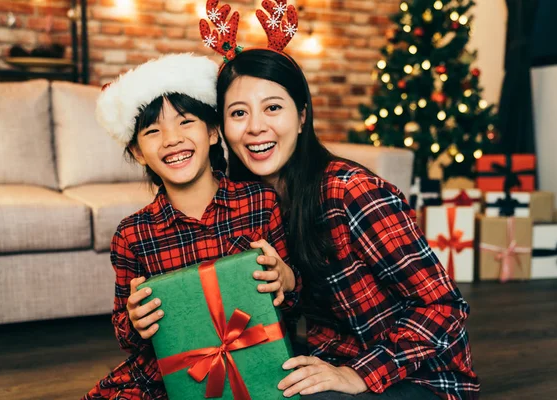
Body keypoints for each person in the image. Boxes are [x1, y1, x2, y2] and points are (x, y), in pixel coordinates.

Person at [216, 48, 480, 400]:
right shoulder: (249, 204)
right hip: (330, 357)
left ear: (302, 117)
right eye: (238, 113)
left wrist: (359, 374)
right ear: (221, 127)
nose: (255, 127)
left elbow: (445, 307)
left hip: (420, 375)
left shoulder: (352, 192)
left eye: (273, 107)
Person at [83, 53, 299, 400]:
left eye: (185, 122)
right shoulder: (132, 234)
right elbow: (124, 333)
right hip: (167, 374)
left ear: (213, 131)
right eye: (153, 131)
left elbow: (291, 301)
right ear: (138, 152)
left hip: (257, 362)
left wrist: (286, 279)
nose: (171, 139)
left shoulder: (260, 203)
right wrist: (136, 321)